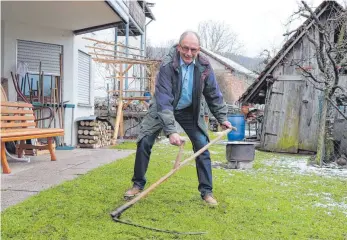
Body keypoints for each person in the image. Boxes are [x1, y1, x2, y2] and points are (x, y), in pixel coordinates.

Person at [124, 31, 232, 206]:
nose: (189, 53)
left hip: (189, 110)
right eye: (186, 48)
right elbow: (164, 100)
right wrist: (171, 132)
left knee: (202, 144)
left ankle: (207, 192)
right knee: (144, 140)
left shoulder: (204, 66)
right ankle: (137, 184)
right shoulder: (168, 65)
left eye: (193, 49)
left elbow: (213, 94)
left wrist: (222, 118)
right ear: (179, 46)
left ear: (199, 49)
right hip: (163, 107)